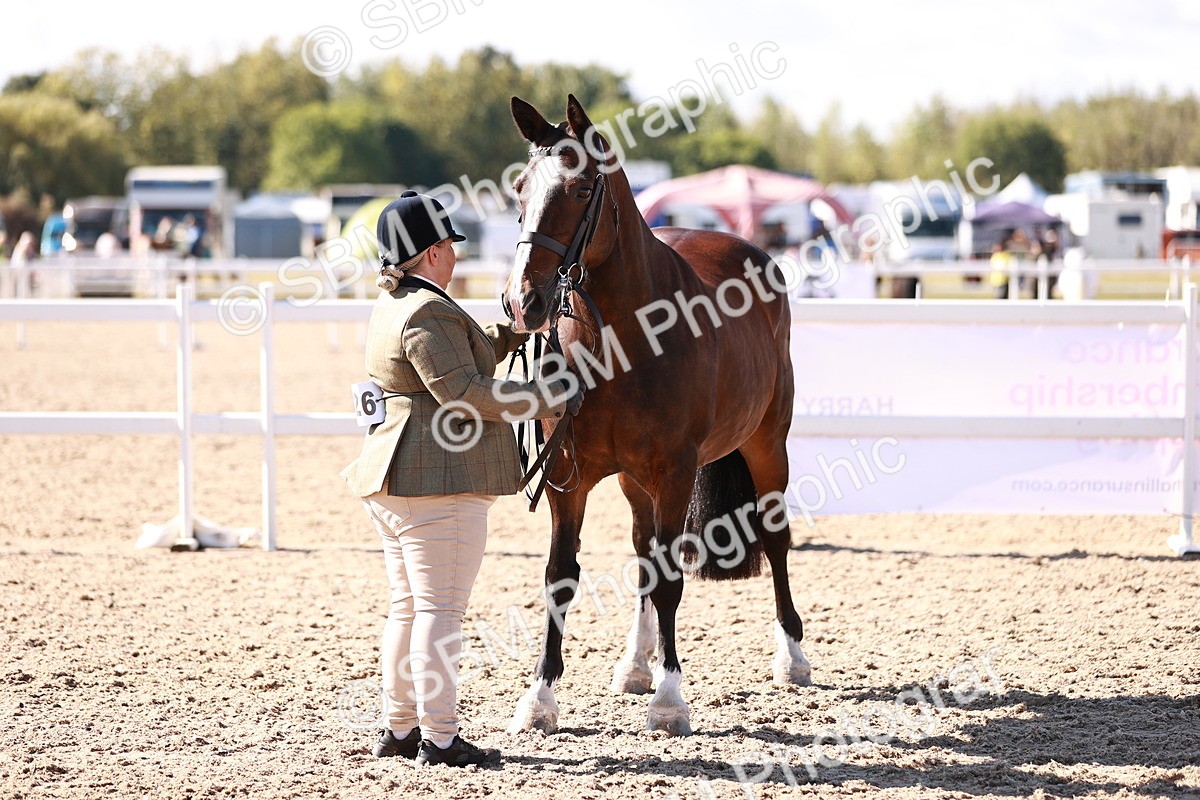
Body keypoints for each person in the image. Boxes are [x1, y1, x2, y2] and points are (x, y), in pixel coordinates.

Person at [340, 191, 580, 768]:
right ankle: (441, 738)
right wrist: (547, 397)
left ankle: (399, 728)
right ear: (430, 252)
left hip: (398, 477)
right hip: (435, 481)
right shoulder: (427, 311)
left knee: (408, 608)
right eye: (447, 246)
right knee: (440, 612)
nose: (453, 255)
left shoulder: (401, 302)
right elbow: (464, 392)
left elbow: (456, 360)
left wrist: (513, 332)